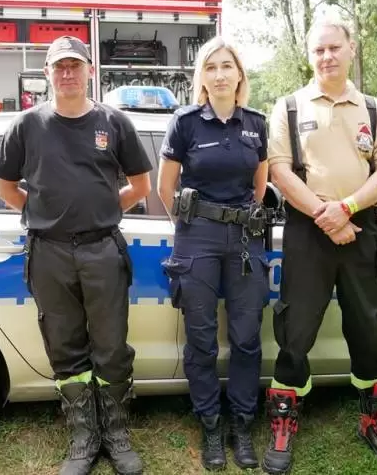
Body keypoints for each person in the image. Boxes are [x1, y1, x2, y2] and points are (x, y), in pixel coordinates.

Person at [0, 35, 152, 475]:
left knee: (111, 346)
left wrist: (102, 210)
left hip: (103, 250)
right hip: (50, 253)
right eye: (59, 66)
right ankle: (84, 437)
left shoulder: (114, 123)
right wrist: (44, 214)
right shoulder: (26, 126)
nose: (67, 73)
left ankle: (115, 435)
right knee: (65, 347)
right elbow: (5, 189)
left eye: (74, 65)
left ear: (89, 71)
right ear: (47, 73)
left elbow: (141, 186)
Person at [262, 19, 377, 473]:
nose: (326, 56)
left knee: (367, 327)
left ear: (351, 49)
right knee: (296, 329)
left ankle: (375, 419)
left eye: (334, 48)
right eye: (319, 50)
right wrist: (325, 216)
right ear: (310, 55)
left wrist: (346, 208)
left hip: (361, 227)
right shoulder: (288, 107)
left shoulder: (374, 109)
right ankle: (284, 422)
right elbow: (280, 171)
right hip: (308, 228)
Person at [157, 36, 270, 471]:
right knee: (202, 340)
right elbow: (165, 188)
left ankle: (242, 424)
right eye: (211, 67)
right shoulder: (185, 123)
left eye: (227, 66)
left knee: (246, 337)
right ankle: (209, 424)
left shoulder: (255, 124)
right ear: (201, 77)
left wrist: (237, 219)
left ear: (239, 74)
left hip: (244, 238)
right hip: (197, 238)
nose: (220, 75)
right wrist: (192, 227)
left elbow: (259, 186)